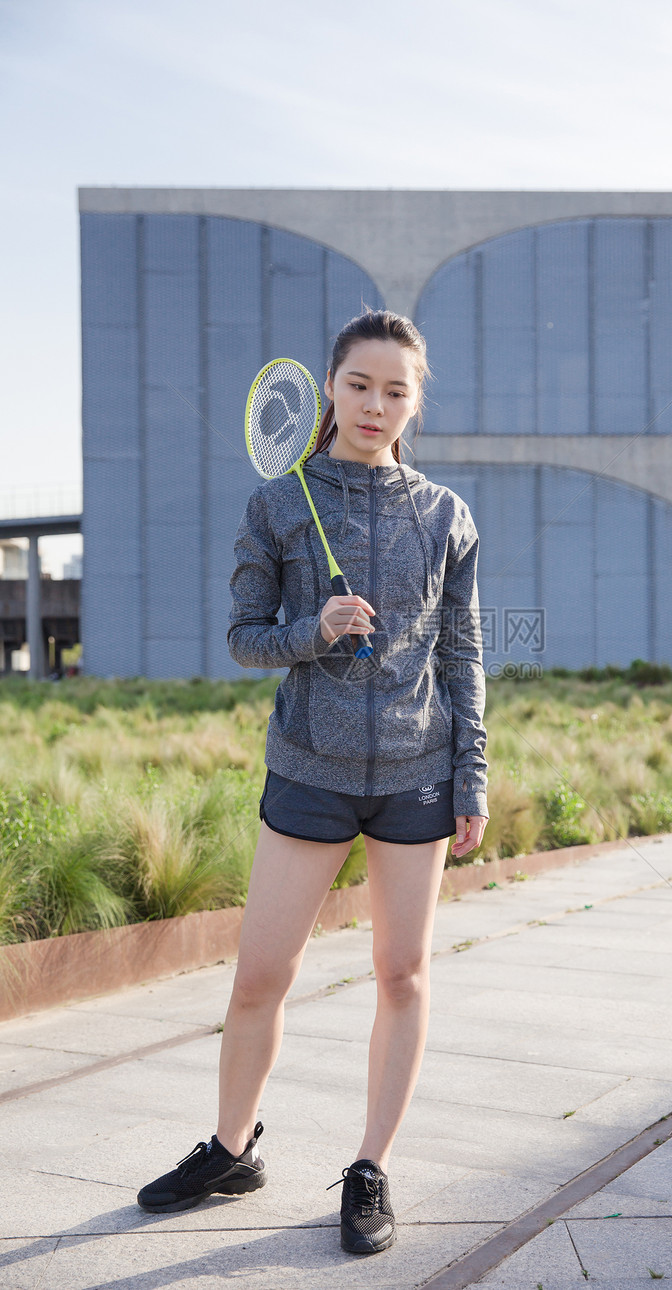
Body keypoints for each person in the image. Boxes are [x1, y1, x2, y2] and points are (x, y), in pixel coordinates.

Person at [137, 309, 489, 1256]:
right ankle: (231, 1149)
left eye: (396, 389)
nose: (377, 404)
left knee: (402, 974)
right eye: (360, 385)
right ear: (329, 389)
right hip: (309, 772)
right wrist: (313, 629)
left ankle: (370, 1167)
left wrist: (473, 775)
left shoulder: (447, 515)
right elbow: (244, 639)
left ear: (416, 401)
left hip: (419, 774)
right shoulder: (281, 503)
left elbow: (462, 653)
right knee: (260, 976)